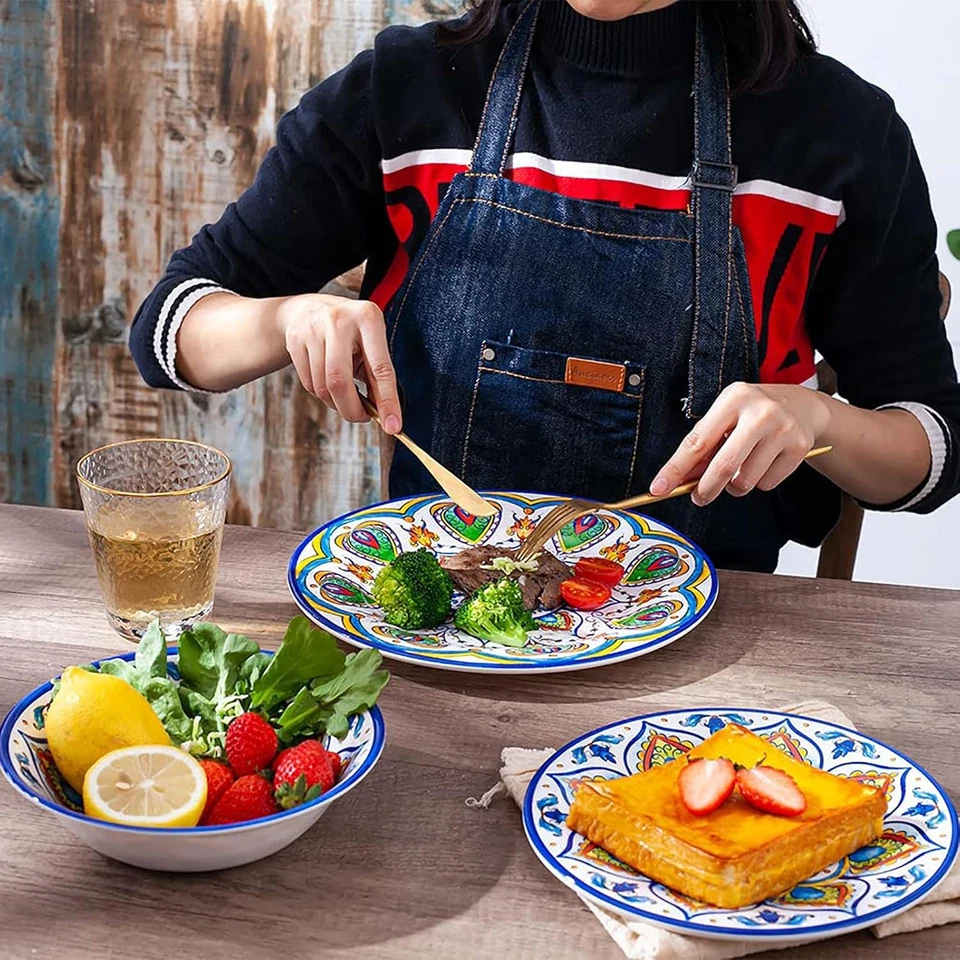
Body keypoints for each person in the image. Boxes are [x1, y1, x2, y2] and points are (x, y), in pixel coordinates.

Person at [129, 0, 960, 572]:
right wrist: (285, 319)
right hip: (443, 636)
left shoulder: (841, 134)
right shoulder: (405, 92)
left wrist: (818, 418)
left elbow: (932, 447)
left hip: (721, 652)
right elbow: (168, 329)